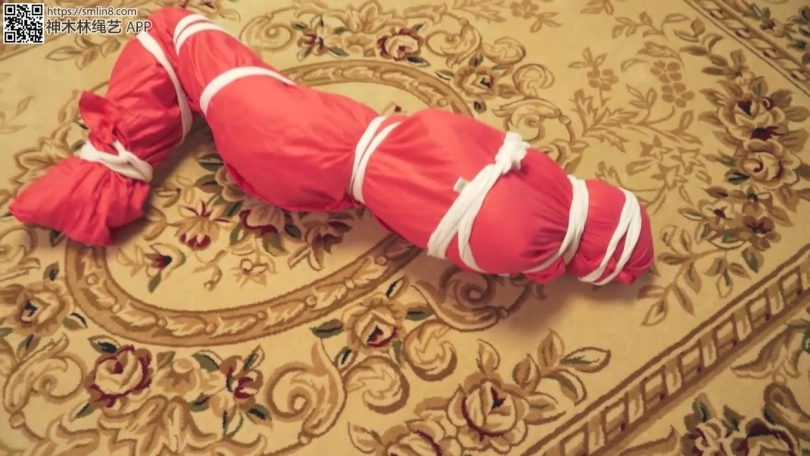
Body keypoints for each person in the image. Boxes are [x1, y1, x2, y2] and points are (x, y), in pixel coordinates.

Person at [9, 7, 654, 286]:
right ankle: (146, 136)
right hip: (305, 184)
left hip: (294, 131)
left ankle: (31, 21)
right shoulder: (517, 251)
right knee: (192, 86)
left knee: (166, 24)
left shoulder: (530, 186)